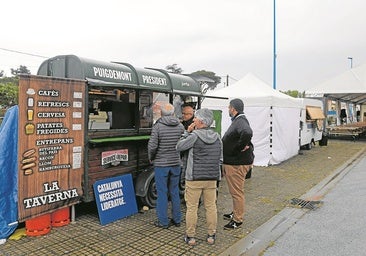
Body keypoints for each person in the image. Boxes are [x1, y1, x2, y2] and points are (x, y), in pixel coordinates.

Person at [176, 108, 222, 246]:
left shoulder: (194, 136)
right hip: (211, 178)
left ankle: (190, 237)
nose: (193, 120)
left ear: (201, 121)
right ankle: (211, 235)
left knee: (192, 208)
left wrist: (187, 132)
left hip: (194, 178)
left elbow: (178, 146)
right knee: (211, 206)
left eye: (195, 118)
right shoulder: (218, 137)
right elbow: (220, 159)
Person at [148, 102, 185, 228]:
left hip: (161, 164)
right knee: (174, 191)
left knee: (162, 192)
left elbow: (152, 146)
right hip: (175, 163)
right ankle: (177, 219)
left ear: (161, 113)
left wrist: (151, 158)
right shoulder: (180, 126)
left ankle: (163, 221)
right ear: (173, 113)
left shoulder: (158, 126)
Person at [222, 98, 254, 230]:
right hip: (235, 162)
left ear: (233, 109)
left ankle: (238, 219)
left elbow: (247, 132)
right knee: (235, 191)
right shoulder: (239, 120)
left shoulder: (240, 121)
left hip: (236, 164)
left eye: (229, 108)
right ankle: (236, 212)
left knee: (237, 192)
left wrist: (238, 148)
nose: (228, 110)